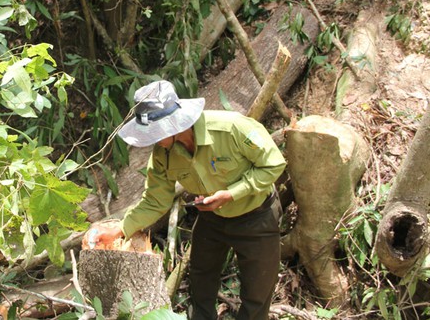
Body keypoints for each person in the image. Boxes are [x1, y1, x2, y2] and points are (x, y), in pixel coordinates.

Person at [91, 80, 286, 320]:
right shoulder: (163, 154)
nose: (152, 141)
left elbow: (273, 164)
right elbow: (155, 200)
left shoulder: (232, 128)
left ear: (172, 125)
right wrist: (121, 229)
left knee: (256, 296)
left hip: (256, 217)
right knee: (201, 283)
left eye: (154, 134)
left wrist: (232, 193)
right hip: (211, 219)